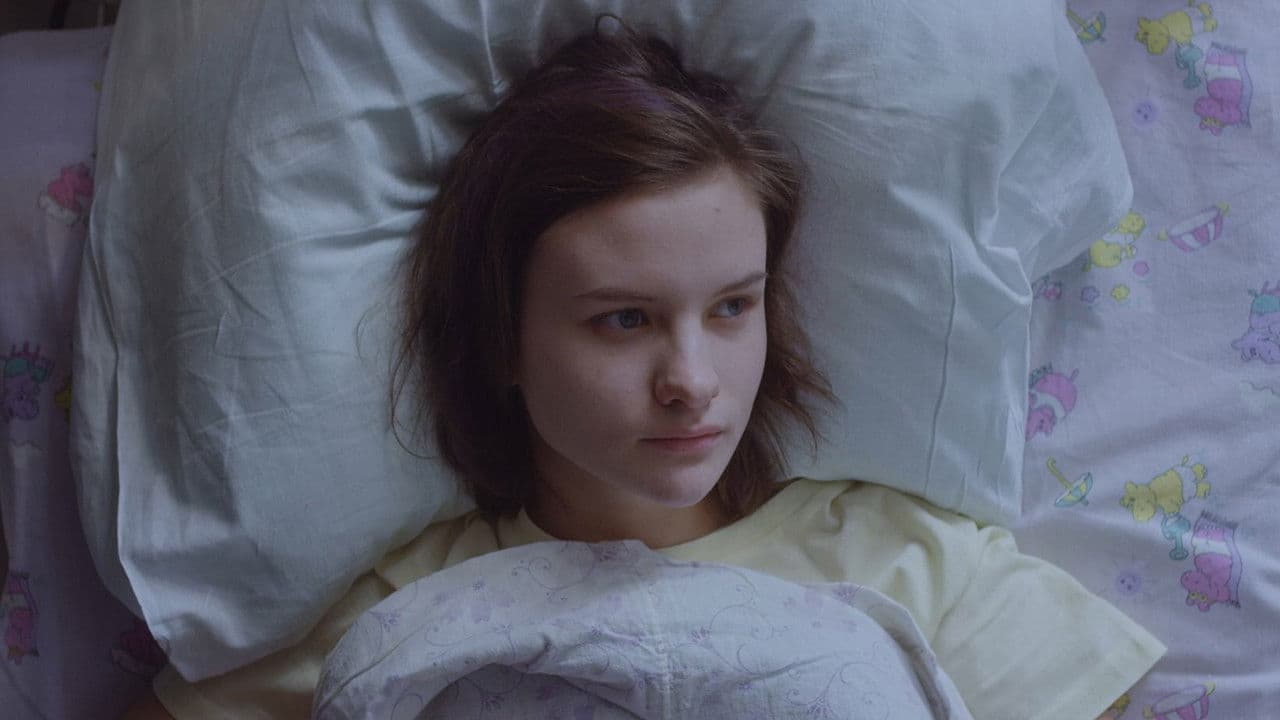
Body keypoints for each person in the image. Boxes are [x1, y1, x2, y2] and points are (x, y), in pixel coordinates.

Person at [125, 21, 1164, 720]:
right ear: (502, 339)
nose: (691, 380)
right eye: (624, 320)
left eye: (731, 308)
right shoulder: (405, 603)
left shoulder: (909, 563)